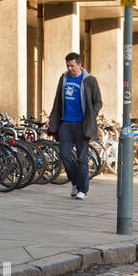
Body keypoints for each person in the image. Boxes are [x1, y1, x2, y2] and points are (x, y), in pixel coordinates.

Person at [47, 52, 103, 200]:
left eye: (72, 65)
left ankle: (82, 189)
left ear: (79, 64)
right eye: (67, 65)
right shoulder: (64, 78)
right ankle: (76, 182)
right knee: (64, 154)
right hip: (66, 123)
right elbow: (57, 101)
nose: (70, 68)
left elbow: (98, 101)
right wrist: (52, 118)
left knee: (82, 158)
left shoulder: (90, 80)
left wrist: (92, 115)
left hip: (82, 125)